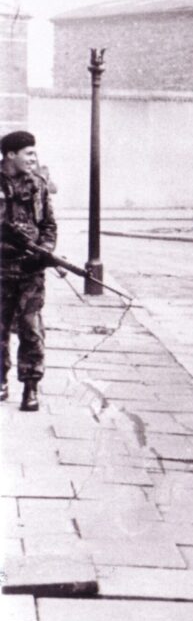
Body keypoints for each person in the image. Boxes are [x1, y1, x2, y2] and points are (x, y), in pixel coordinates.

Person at [0, 130, 57, 411]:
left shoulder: (38, 185)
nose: (34, 159)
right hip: (0, 268)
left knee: (31, 328)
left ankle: (31, 386)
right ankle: (0, 380)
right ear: (11, 155)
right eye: (28, 153)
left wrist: (44, 250)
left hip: (30, 270)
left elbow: (48, 224)